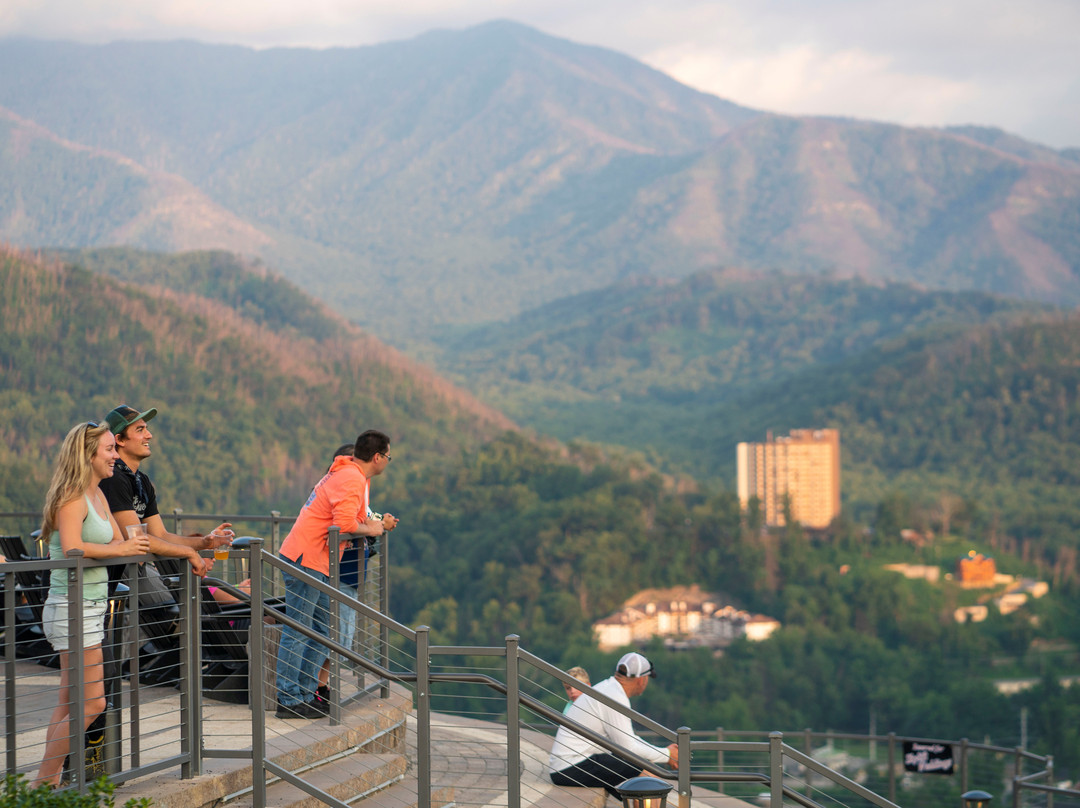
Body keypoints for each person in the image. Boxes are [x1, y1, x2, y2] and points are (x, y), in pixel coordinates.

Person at [33, 422, 152, 788]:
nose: (115, 456)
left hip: (91, 607)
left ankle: (46, 786)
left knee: (70, 703)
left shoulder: (98, 494)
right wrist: (124, 548)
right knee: (93, 704)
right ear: (87, 455)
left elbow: (123, 541)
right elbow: (73, 548)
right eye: (108, 450)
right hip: (72, 608)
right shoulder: (71, 497)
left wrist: (133, 546)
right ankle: (40, 784)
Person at [273, 430, 395, 719]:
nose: (388, 461)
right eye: (388, 456)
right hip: (307, 559)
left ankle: (305, 693)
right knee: (299, 629)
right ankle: (288, 699)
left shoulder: (349, 473)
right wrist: (374, 529)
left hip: (316, 560)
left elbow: (348, 518)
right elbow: (342, 526)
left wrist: (373, 522)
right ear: (377, 457)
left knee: (323, 631)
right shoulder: (351, 477)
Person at [99, 404, 233, 584]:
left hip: (127, 573)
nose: (149, 435)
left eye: (147, 429)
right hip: (105, 576)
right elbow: (138, 538)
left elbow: (161, 535)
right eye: (140, 430)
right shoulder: (113, 478)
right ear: (120, 440)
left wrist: (205, 543)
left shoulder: (141, 481)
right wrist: (188, 552)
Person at [315, 443, 399, 707]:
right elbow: (350, 522)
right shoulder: (346, 486)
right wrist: (378, 525)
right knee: (335, 635)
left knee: (340, 636)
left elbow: (365, 518)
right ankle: (317, 686)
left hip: (347, 574)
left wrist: (381, 523)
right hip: (338, 572)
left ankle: (321, 685)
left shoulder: (351, 488)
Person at [548, 652, 678, 796]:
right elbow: (629, 748)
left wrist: (666, 753)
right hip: (570, 767)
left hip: (570, 765)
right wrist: (667, 755)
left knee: (639, 771)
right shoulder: (614, 697)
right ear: (642, 680)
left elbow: (629, 739)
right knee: (644, 775)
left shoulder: (609, 689)